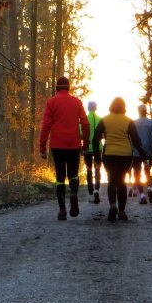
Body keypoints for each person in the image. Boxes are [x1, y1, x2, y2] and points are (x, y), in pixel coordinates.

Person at [39, 76, 89, 220]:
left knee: (60, 177)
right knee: (73, 174)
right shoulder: (76, 102)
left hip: (57, 144)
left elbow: (46, 126)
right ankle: (73, 193)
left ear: (56, 88)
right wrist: (85, 144)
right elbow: (85, 124)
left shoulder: (51, 102)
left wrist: (42, 147)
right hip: (73, 144)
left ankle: (62, 210)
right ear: (68, 87)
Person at [93, 97, 147, 222]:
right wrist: (144, 156)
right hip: (125, 155)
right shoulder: (128, 121)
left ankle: (113, 205)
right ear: (124, 107)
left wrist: (97, 157)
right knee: (122, 181)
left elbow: (95, 139)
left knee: (112, 180)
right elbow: (136, 141)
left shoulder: (104, 120)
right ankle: (121, 211)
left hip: (109, 154)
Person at [132, 104, 152, 204]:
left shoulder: (133, 123)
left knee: (137, 173)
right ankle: (149, 188)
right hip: (147, 153)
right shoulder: (151, 123)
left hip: (136, 153)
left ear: (138, 112)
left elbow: (128, 137)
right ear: (146, 112)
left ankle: (142, 195)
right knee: (147, 170)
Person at [83, 101, 102, 204]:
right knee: (98, 169)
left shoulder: (84, 119)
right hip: (98, 148)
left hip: (87, 148)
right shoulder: (100, 119)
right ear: (96, 108)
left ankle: (90, 194)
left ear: (88, 108)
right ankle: (97, 190)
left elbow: (81, 133)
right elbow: (103, 135)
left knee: (89, 171)